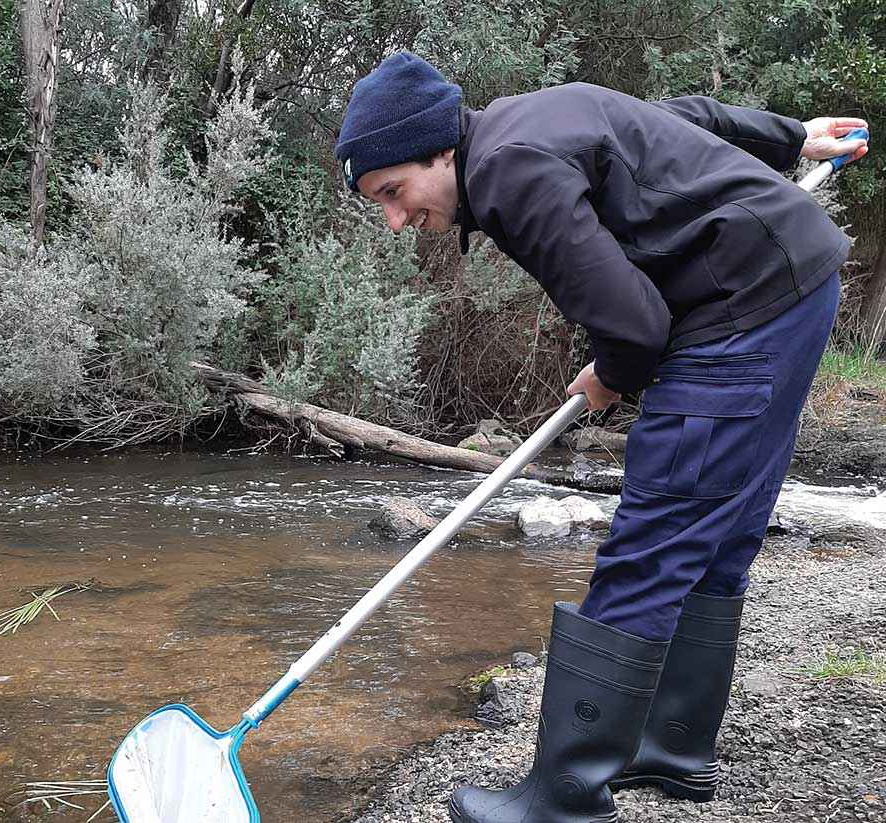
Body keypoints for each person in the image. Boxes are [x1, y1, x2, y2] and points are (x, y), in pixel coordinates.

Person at [335, 51, 870, 823]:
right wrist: (791, 137)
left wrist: (610, 375)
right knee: (718, 531)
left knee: (653, 536)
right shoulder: (534, 116)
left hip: (742, 313)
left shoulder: (510, 177)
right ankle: (674, 745)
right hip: (795, 287)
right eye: (377, 203)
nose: (394, 218)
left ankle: (564, 794)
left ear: (439, 149)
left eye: (394, 191)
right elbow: (681, 118)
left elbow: (637, 325)